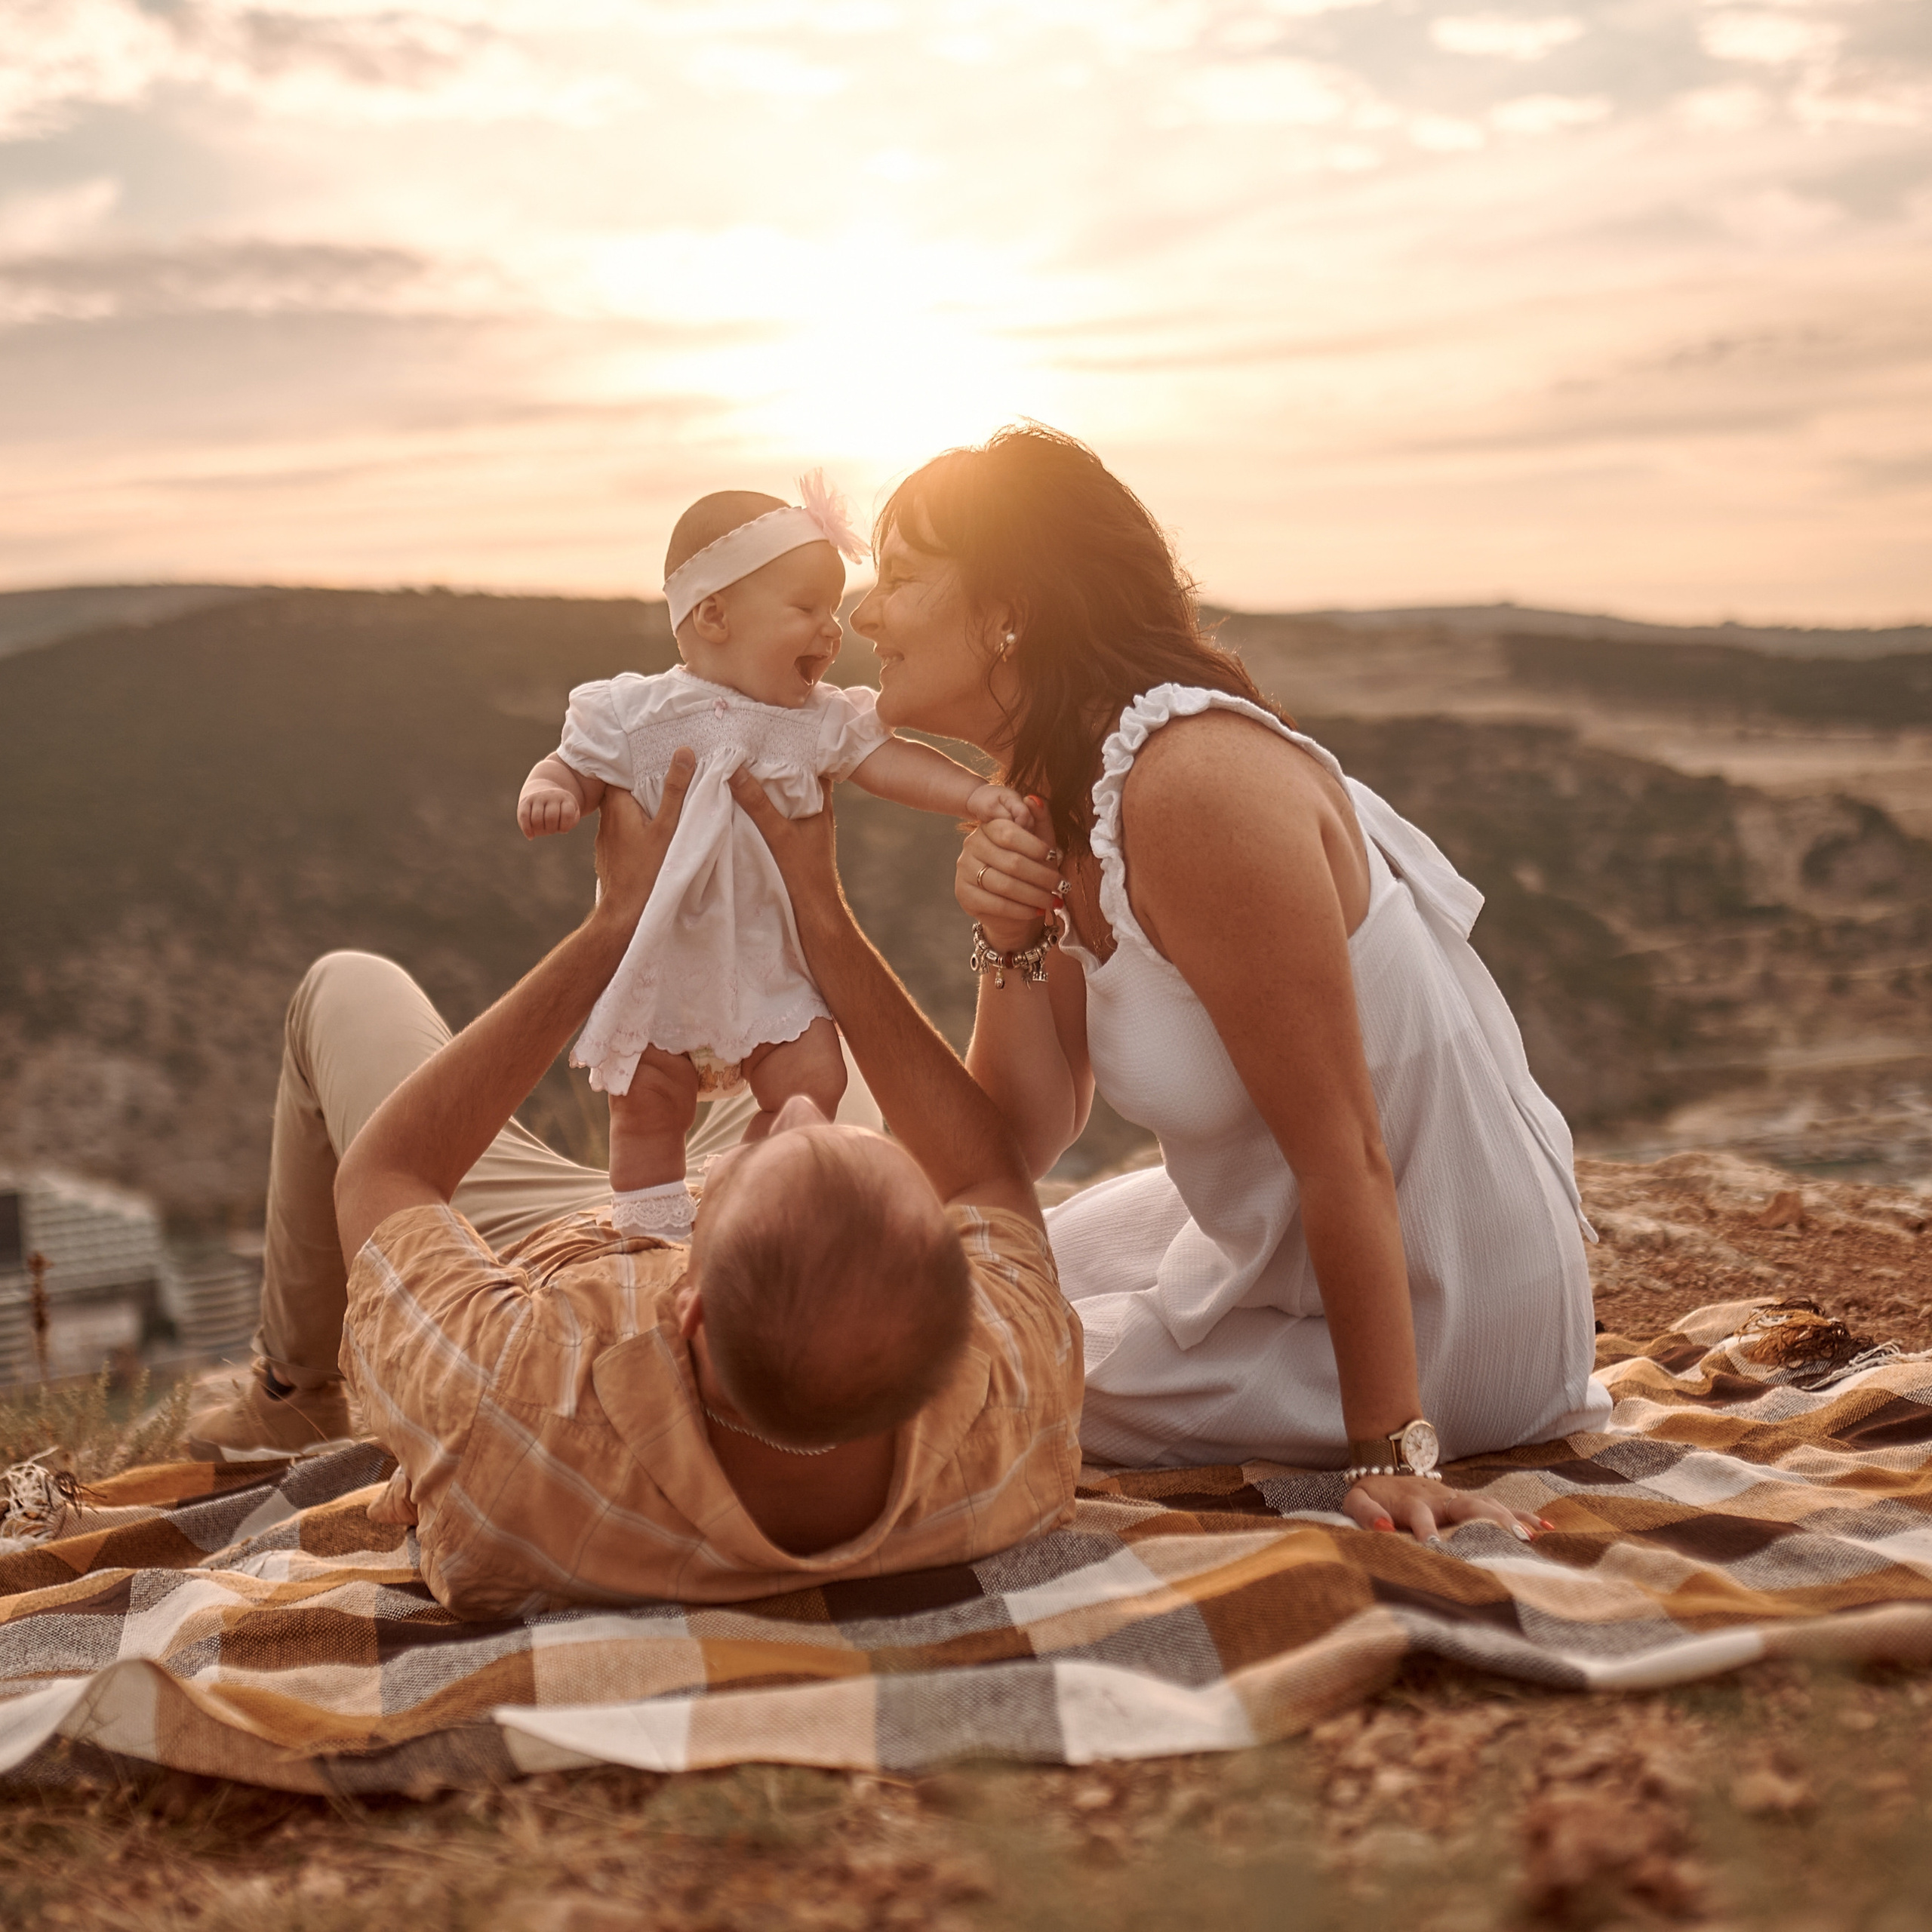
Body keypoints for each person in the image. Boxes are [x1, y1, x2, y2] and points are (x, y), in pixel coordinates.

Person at [851, 423, 1609, 1543]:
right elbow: (1010, 1144)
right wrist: (1008, 939)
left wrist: (1389, 1452)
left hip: (1450, 1296)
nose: (865, 612)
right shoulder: (1066, 789)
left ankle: (1380, 1401)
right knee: (953, 1266)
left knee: (966, 1352)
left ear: (1008, 607)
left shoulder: (1191, 786)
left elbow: (1345, 1143)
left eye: (901, 578)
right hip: (1284, 1228)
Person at [186, 759, 1081, 1617]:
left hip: (525, 1250)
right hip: (766, 1267)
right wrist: (819, 915)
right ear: (955, 1314)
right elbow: (985, 1174)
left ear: (683, 1302)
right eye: (837, 1141)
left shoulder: (508, 1392)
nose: (807, 1113)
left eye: (774, 1150)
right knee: (824, 1061)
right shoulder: (1010, 1401)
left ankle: (292, 1397)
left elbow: (385, 1173)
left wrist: (613, 924)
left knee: (345, 986)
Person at [516, 472, 1032, 1243]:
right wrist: (549, 788)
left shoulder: (813, 721)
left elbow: (889, 762)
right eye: (805, 608)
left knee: (814, 1078)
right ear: (714, 615)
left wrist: (972, 796)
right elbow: (575, 763)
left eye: (832, 608)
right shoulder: (635, 712)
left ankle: (744, 1180)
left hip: (768, 964)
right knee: (647, 1103)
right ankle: (651, 1231)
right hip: (665, 960)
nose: (832, 631)